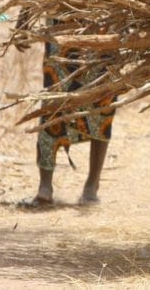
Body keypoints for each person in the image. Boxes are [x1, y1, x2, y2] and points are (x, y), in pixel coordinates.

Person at [14, 13, 115, 208]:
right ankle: (45, 186)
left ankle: (91, 185)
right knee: (55, 102)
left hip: (104, 22)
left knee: (102, 102)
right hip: (62, 28)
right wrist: (25, 16)